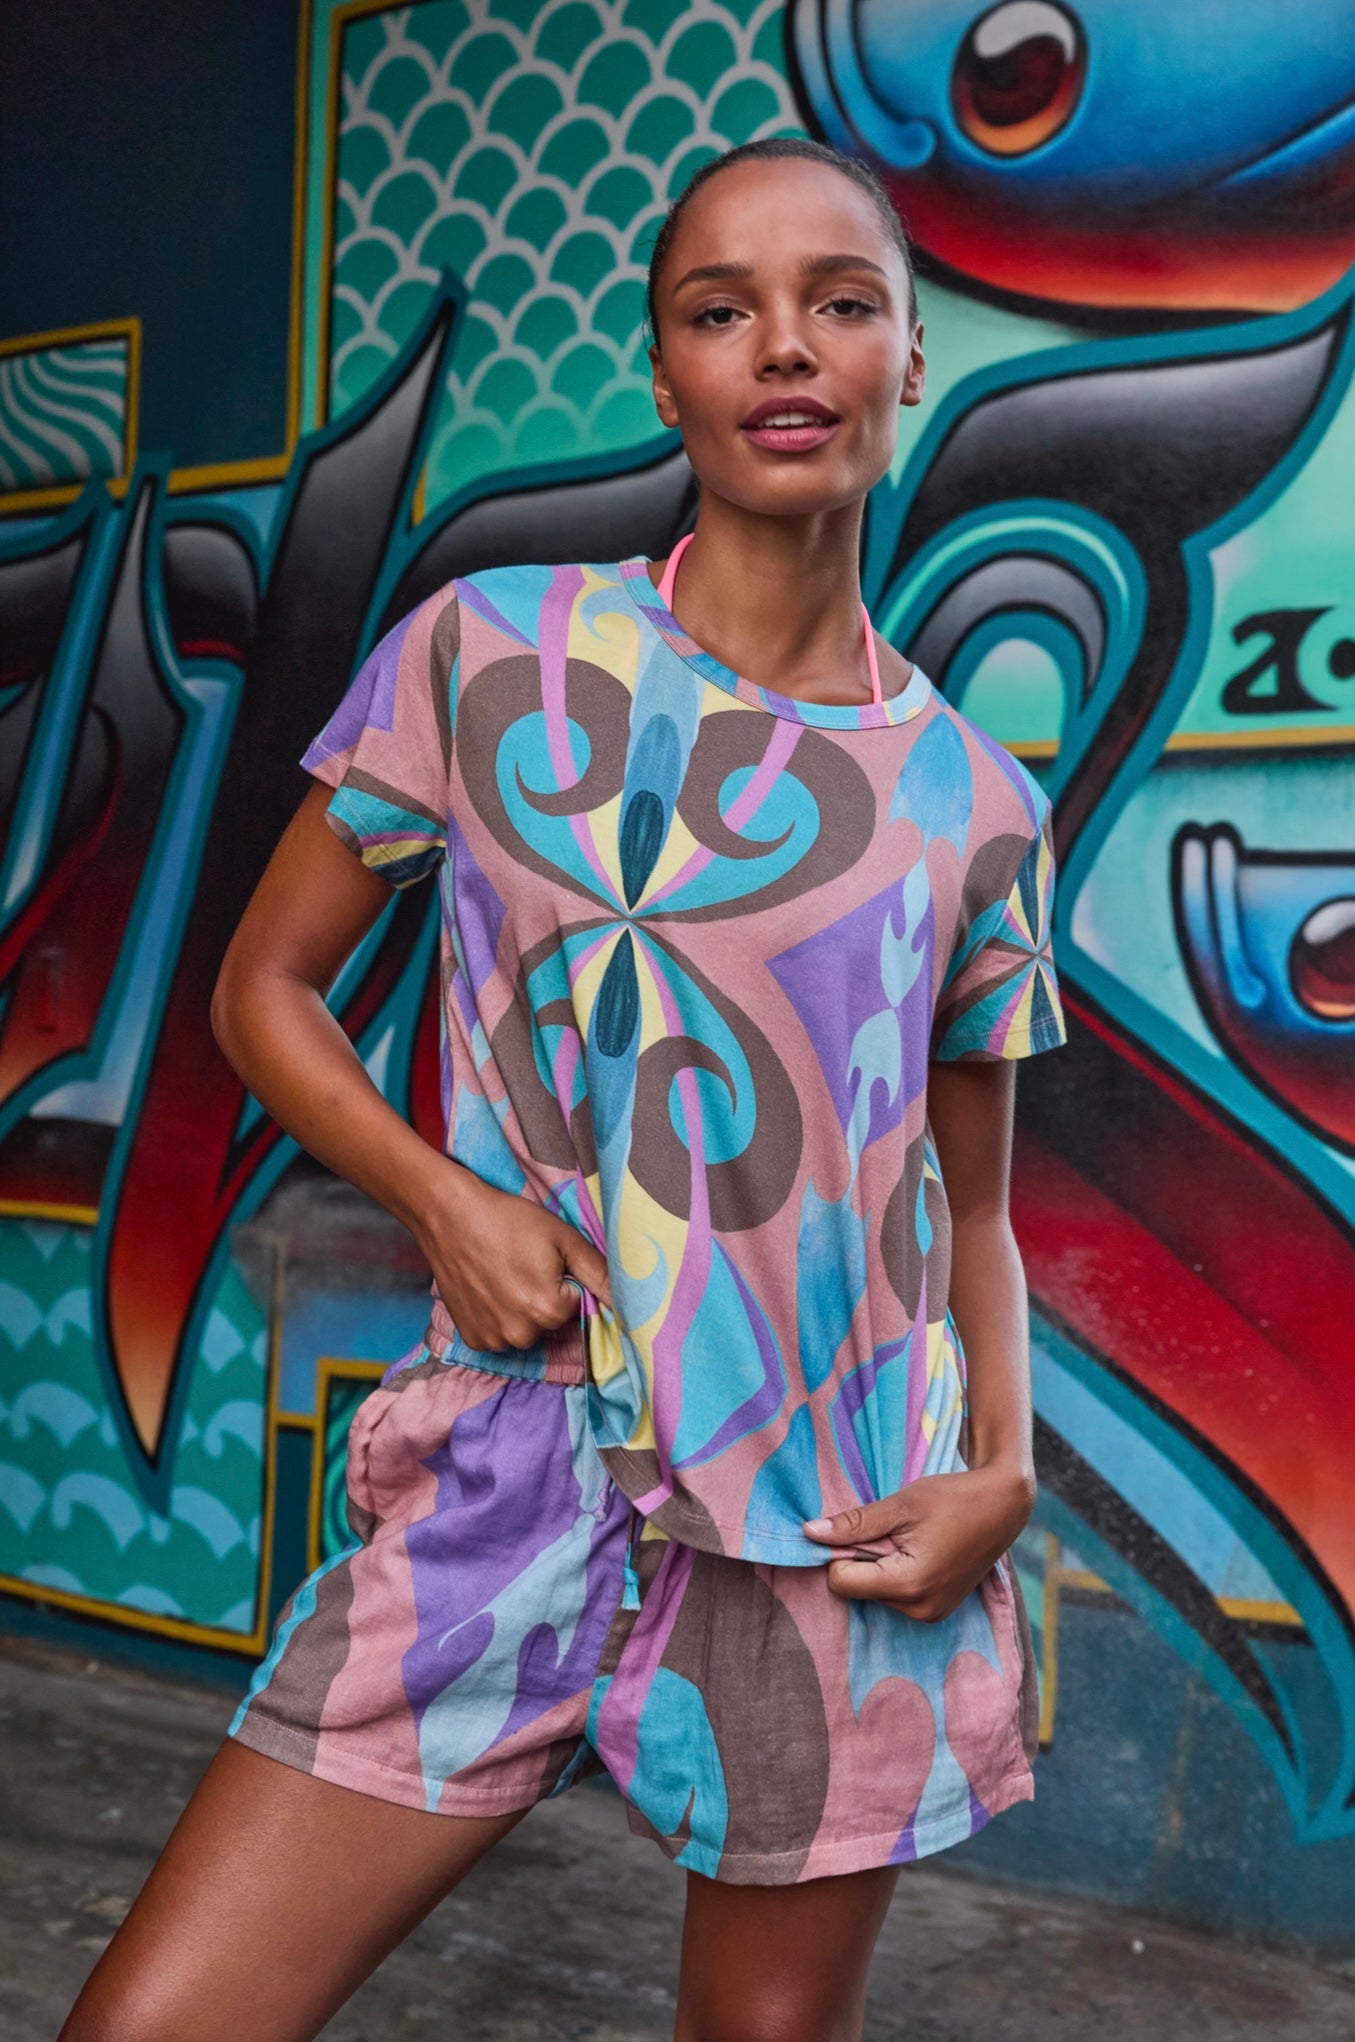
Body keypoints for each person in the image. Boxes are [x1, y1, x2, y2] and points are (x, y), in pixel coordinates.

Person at [62, 136, 1064, 2042]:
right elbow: (262, 991)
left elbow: (976, 1208)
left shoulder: (978, 805)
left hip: (837, 1526)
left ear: (909, 354)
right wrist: (446, 1200)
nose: (786, 346)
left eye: (841, 301)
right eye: (722, 310)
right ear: (666, 371)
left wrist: (1002, 1468)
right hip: (508, 1469)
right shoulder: (493, 655)